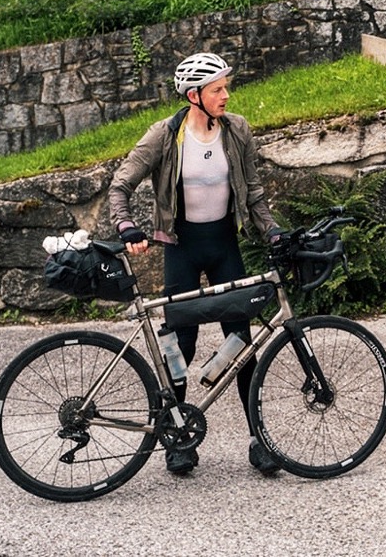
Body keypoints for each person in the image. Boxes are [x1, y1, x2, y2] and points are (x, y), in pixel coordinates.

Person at [108, 51, 282, 477]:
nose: (226, 95)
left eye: (225, 87)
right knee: (178, 347)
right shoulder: (165, 135)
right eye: (217, 89)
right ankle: (179, 438)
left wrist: (274, 232)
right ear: (193, 95)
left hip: (224, 246)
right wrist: (126, 225)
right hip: (181, 248)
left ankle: (258, 440)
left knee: (242, 343)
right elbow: (120, 185)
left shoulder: (237, 130)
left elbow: (254, 193)